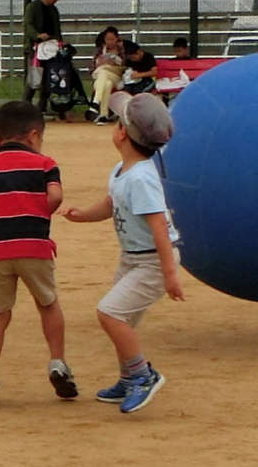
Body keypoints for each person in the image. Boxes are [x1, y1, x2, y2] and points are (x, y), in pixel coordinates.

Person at [64, 91, 184, 414]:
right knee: (124, 319)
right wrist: (84, 215)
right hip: (133, 258)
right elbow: (110, 203)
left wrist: (170, 275)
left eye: (118, 121)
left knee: (110, 314)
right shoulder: (122, 170)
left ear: (123, 134)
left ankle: (143, 376)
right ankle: (128, 378)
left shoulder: (141, 178)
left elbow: (159, 226)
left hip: (153, 262)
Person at [0, 99, 77, 407]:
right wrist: (39, 211)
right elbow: (55, 196)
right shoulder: (44, 164)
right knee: (47, 303)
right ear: (34, 135)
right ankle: (57, 363)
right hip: (33, 245)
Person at [22, 0, 63, 115]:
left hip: (51, 49)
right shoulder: (32, 7)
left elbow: (57, 29)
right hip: (35, 49)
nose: (56, 0)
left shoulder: (54, 10)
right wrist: (38, 36)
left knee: (47, 80)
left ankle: (42, 108)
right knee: (34, 79)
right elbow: (28, 26)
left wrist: (59, 43)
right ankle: (25, 107)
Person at [86, 26, 125, 124]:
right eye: (107, 39)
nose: (110, 42)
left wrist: (115, 62)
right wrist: (99, 63)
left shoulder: (122, 49)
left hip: (116, 76)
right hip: (101, 77)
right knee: (106, 83)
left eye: (112, 39)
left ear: (117, 38)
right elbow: (91, 68)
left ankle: (95, 103)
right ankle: (104, 115)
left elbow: (126, 66)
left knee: (103, 71)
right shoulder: (100, 50)